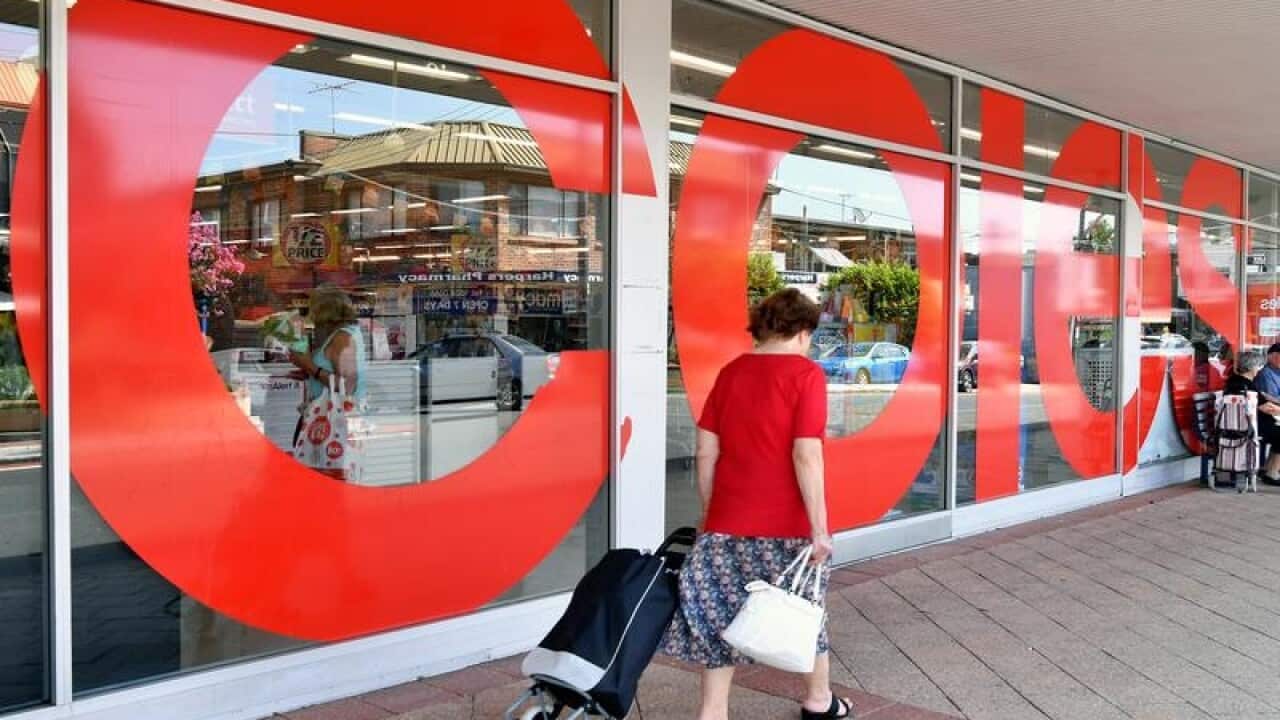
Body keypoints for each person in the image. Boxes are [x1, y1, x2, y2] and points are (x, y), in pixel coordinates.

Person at [662, 288, 849, 720]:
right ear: (803, 332)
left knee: (719, 618)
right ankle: (819, 700)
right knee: (804, 610)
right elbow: (806, 454)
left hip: (727, 523)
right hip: (787, 528)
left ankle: (713, 712)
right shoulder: (806, 376)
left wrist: (713, 511)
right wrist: (820, 528)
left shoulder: (730, 374)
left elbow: (706, 451)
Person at [289, 286, 367, 410]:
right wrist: (309, 373)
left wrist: (309, 366)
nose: (310, 313)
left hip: (337, 420)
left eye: (312, 307)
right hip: (327, 416)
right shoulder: (341, 334)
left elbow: (347, 386)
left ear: (323, 311)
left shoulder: (343, 338)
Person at [1252, 344, 1280, 484]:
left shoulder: (1277, 373)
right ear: (1272, 356)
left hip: (1272, 417)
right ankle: (1272, 473)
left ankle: (1269, 469)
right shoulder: (1266, 374)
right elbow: (1270, 399)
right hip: (1262, 420)